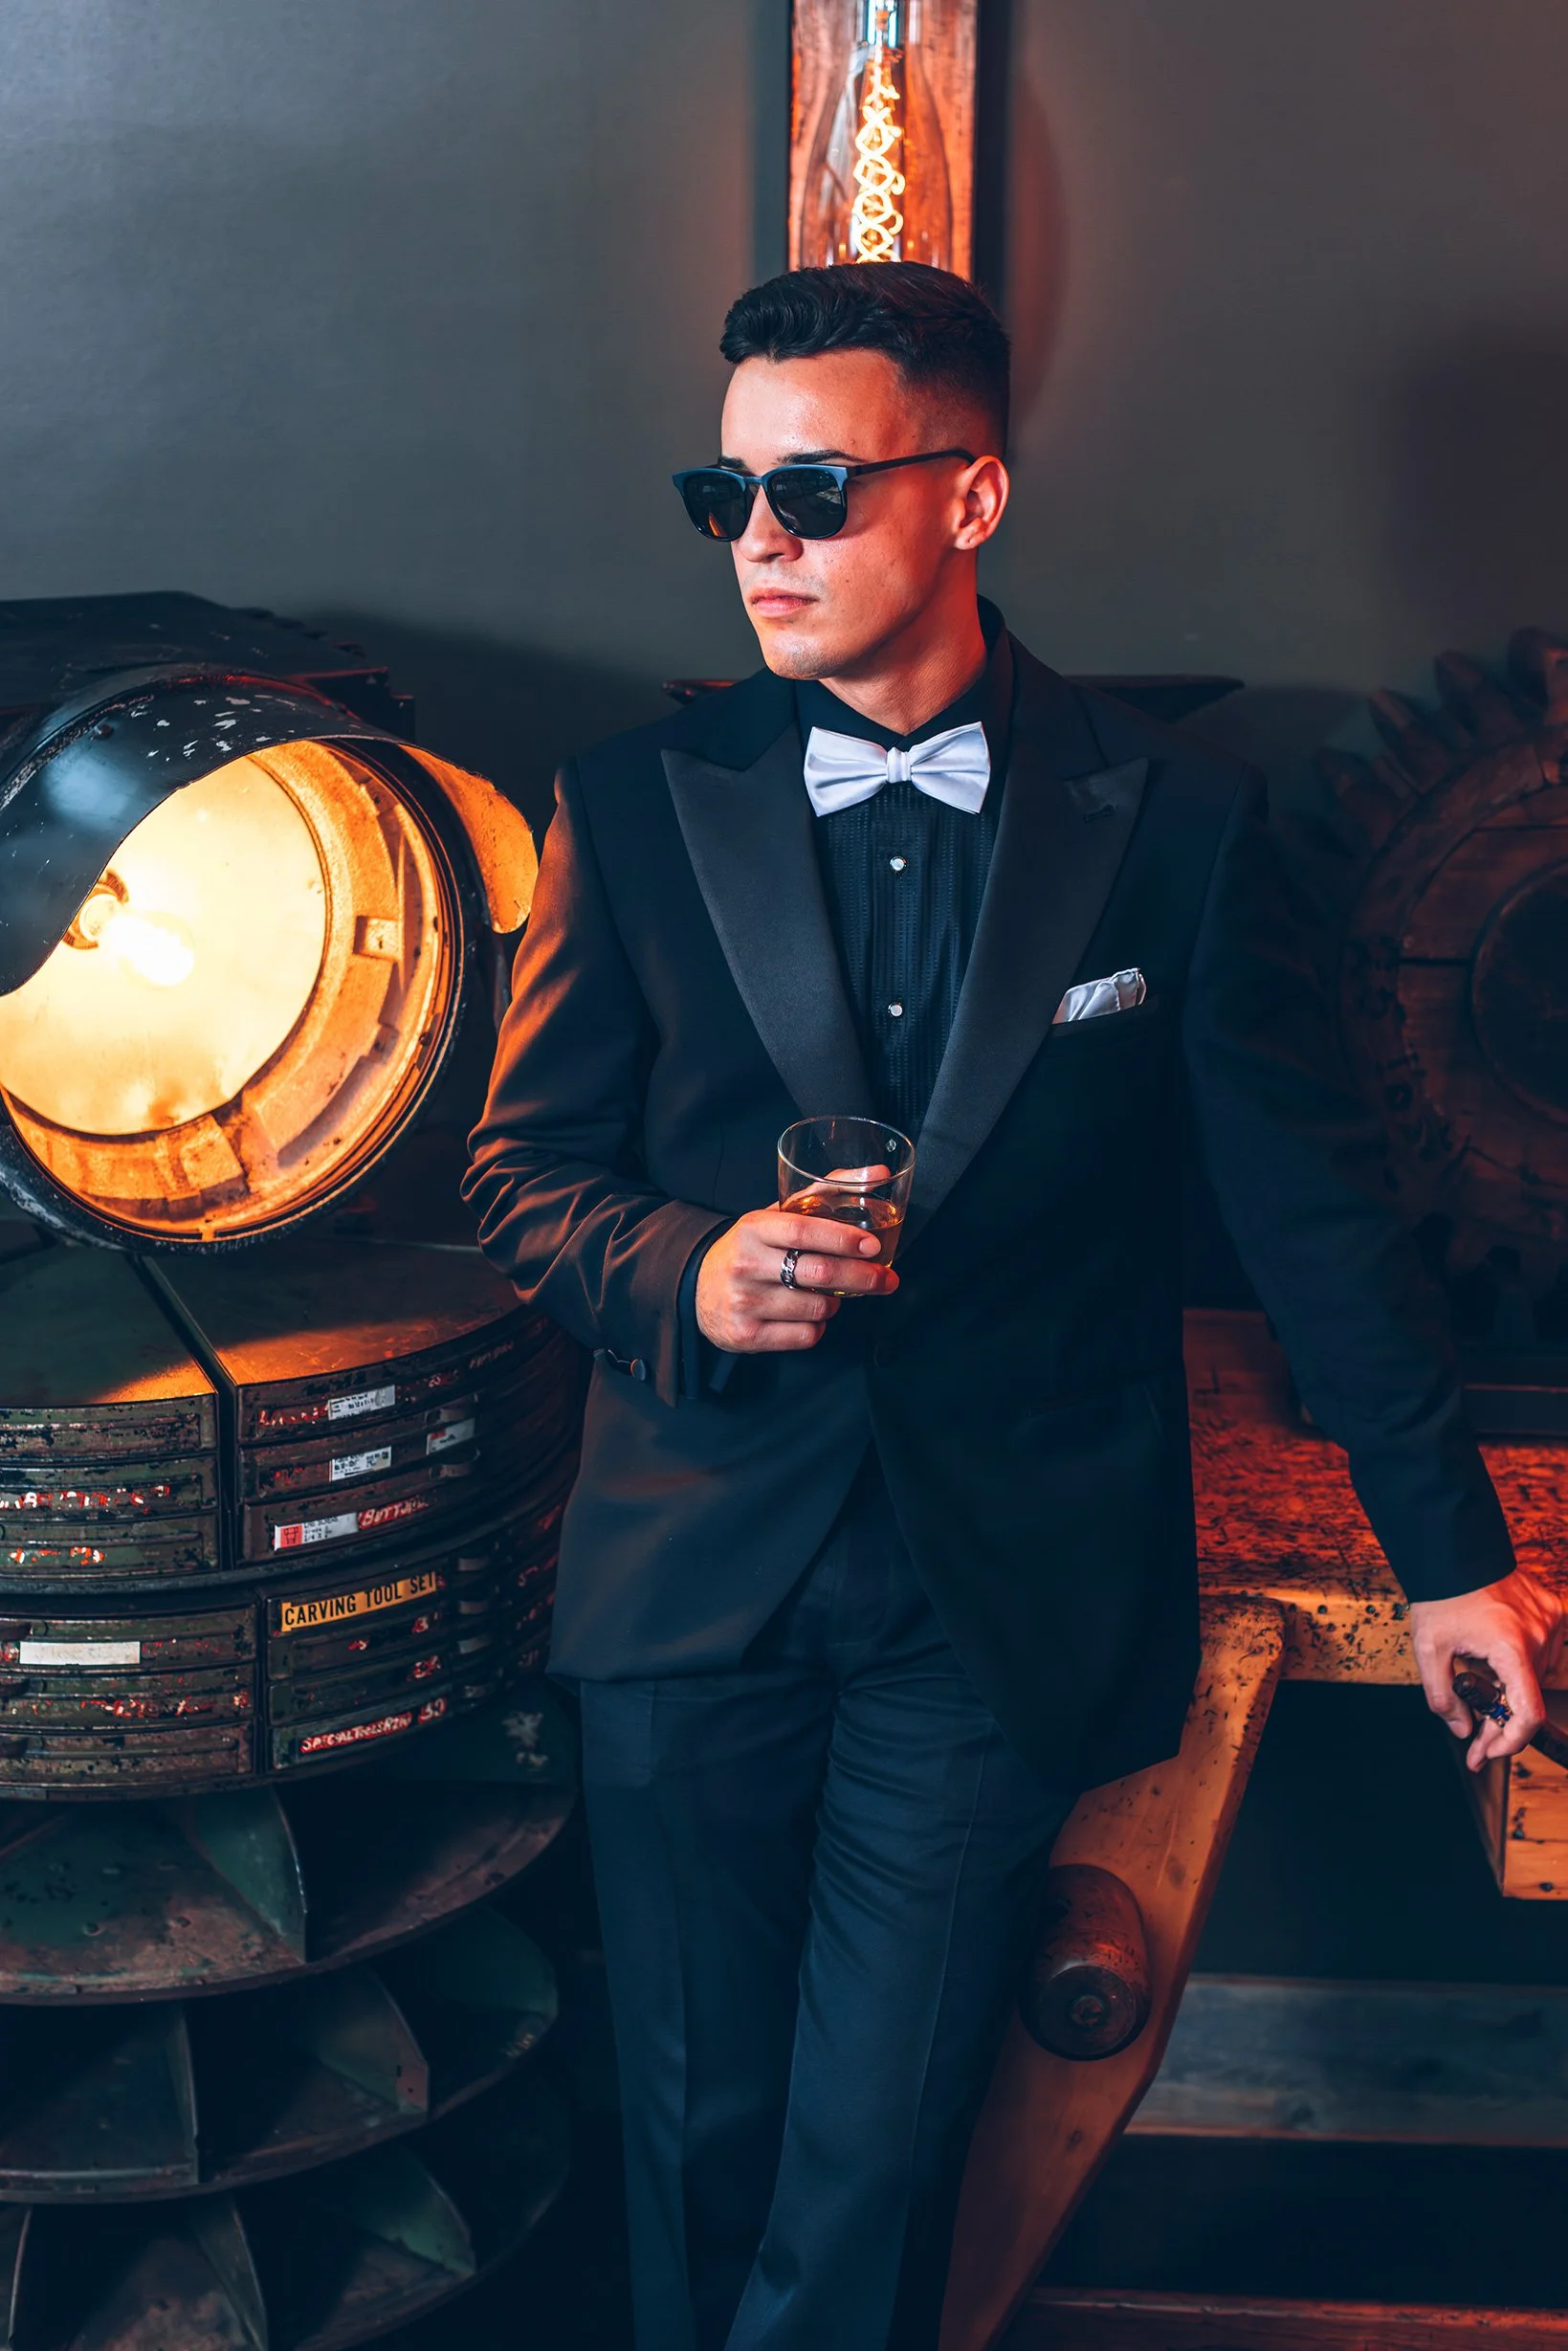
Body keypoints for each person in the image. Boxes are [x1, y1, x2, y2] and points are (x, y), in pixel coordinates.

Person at [464, 262, 1559, 2351]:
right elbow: (519, 1179)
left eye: (816, 493)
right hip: (693, 1571)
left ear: (970, 499)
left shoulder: (1183, 826)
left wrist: (1455, 1562)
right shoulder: (625, 805)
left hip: (995, 1597)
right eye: (727, 497)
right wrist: (690, 1266)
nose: (760, 549)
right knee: (697, 2129)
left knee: (875, 2155)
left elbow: (1313, 1221)